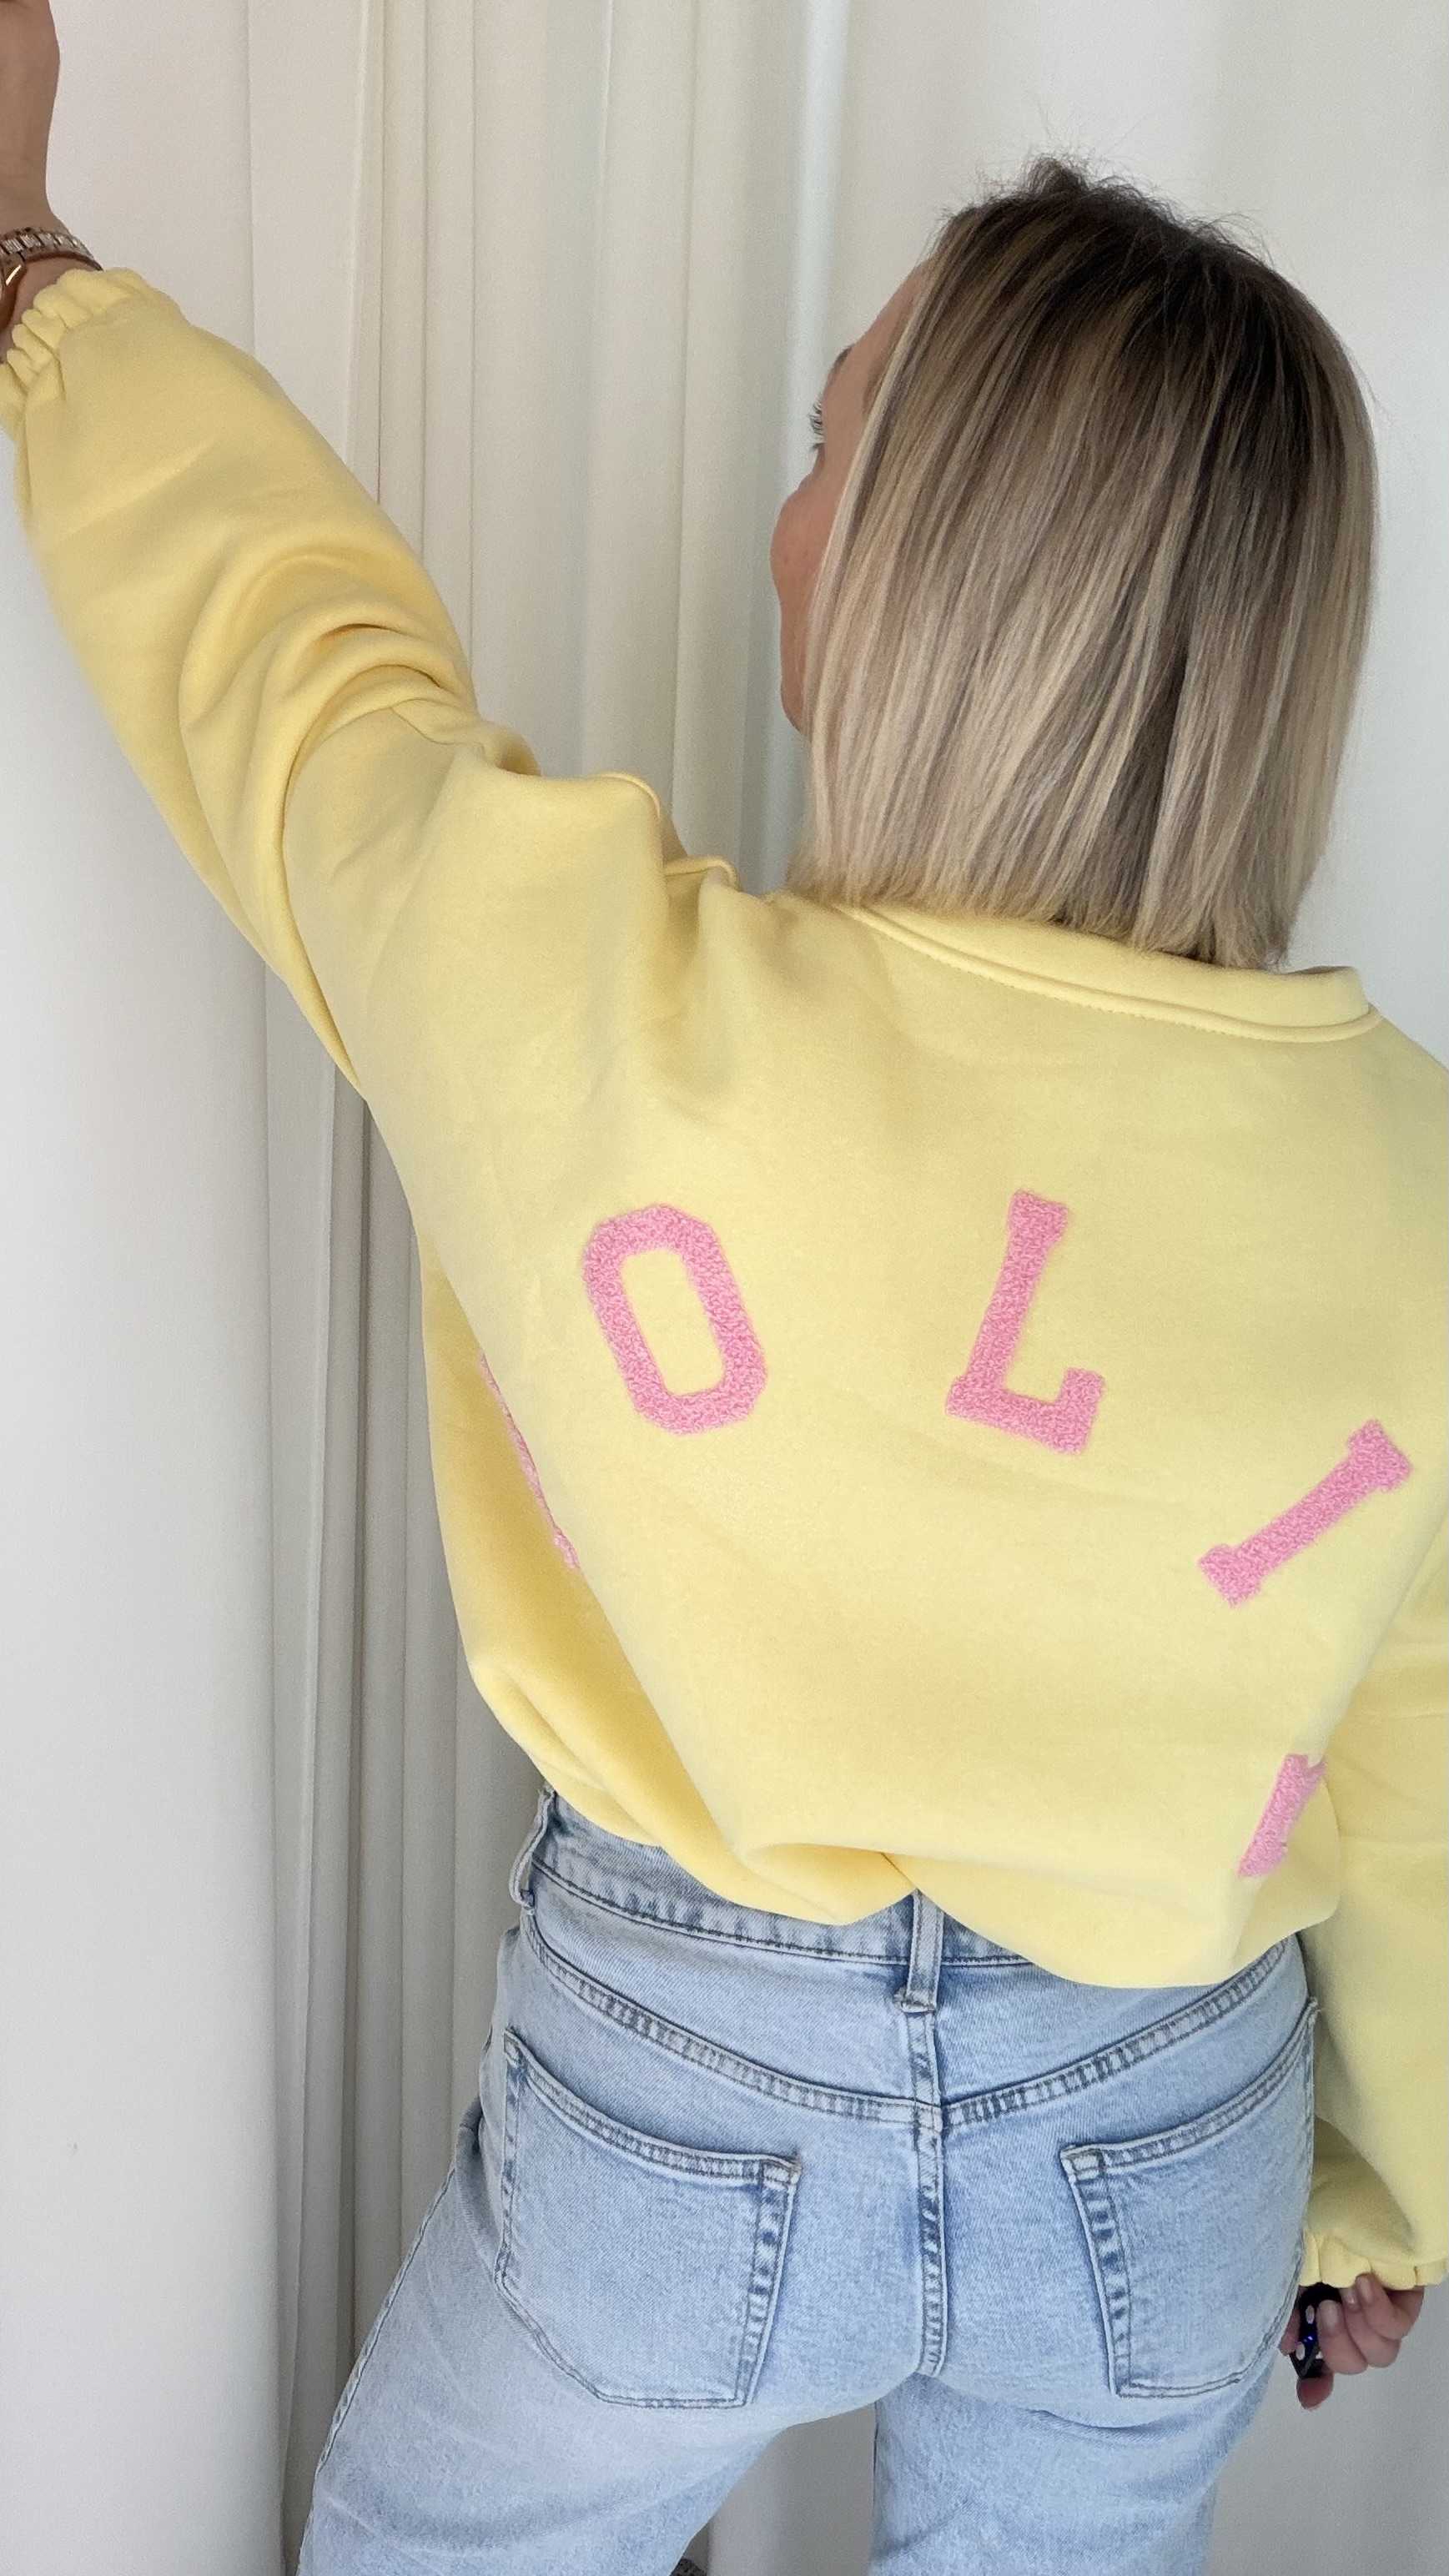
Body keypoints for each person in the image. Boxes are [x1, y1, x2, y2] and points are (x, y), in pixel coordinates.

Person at [2, 8, 1441, 2569]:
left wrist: (29, 267)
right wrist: (1383, 2188)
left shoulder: (602, 1012)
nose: (779, 522)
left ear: (914, 581)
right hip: (1163, 2127)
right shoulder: (1411, 1184)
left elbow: (297, 681)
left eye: (822, 448)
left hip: (683, 2085)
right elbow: (1416, 1767)